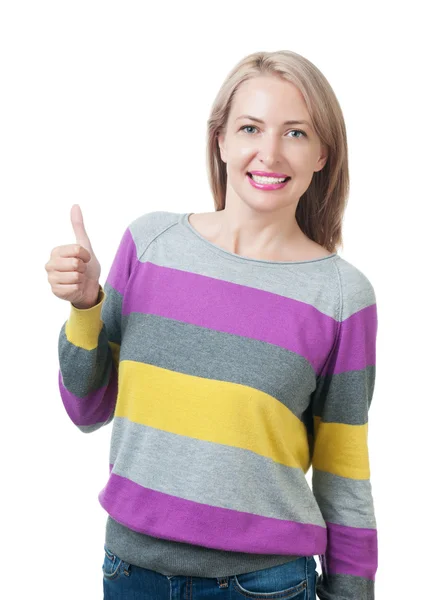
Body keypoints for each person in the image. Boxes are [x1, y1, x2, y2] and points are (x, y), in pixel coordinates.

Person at [45, 49, 378, 600]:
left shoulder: (342, 296)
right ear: (220, 139)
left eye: (296, 133)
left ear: (323, 154)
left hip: (264, 584)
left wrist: (353, 593)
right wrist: (86, 307)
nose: (269, 152)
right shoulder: (150, 245)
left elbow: (345, 473)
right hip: (130, 573)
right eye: (251, 127)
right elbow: (86, 408)